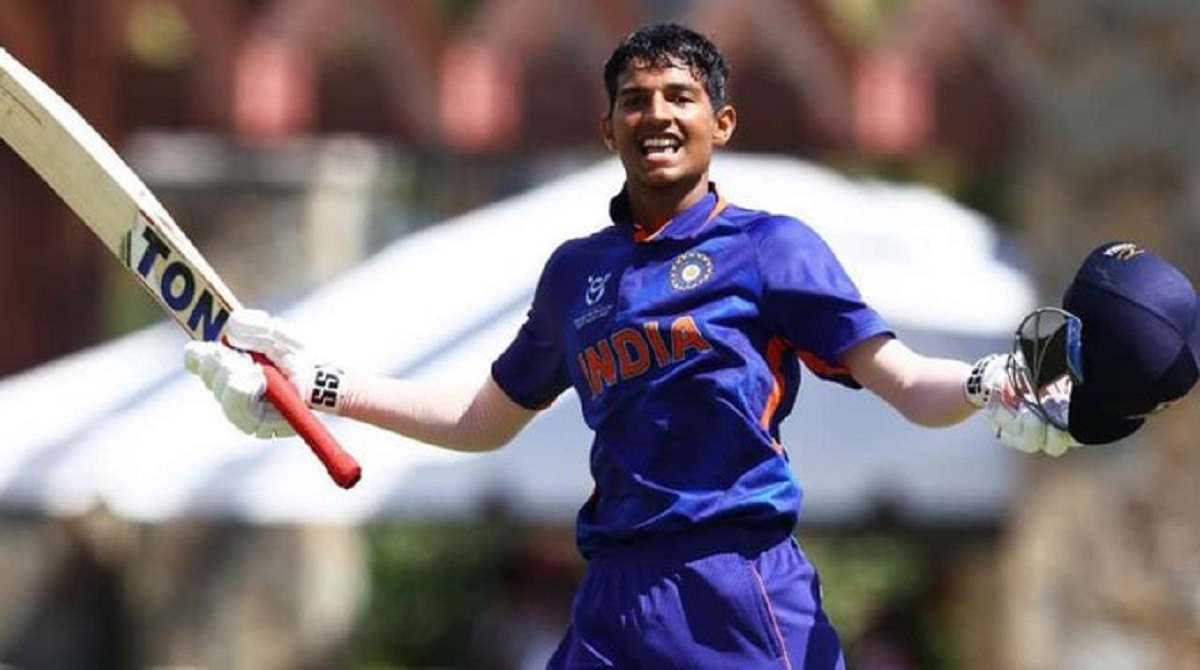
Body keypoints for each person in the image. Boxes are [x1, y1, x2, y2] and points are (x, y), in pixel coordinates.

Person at [184, 23, 1081, 669]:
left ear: (722, 124)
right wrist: (320, 384)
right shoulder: (576, 274)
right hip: (612, 596)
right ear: (607, 129)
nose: (657, 115)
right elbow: (481, 417)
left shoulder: (774, 249)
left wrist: (993, 382)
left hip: (735, 590)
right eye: (635, 101)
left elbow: (907, 383)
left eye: (680, 98)